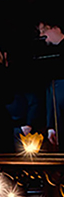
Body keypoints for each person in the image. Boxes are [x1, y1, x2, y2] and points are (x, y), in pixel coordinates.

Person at [37, 15, 63, 147]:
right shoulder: (49, 57)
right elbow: (51, 93)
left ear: (56, 28)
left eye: (44, 30)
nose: (42, 35)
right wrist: (51, 126)